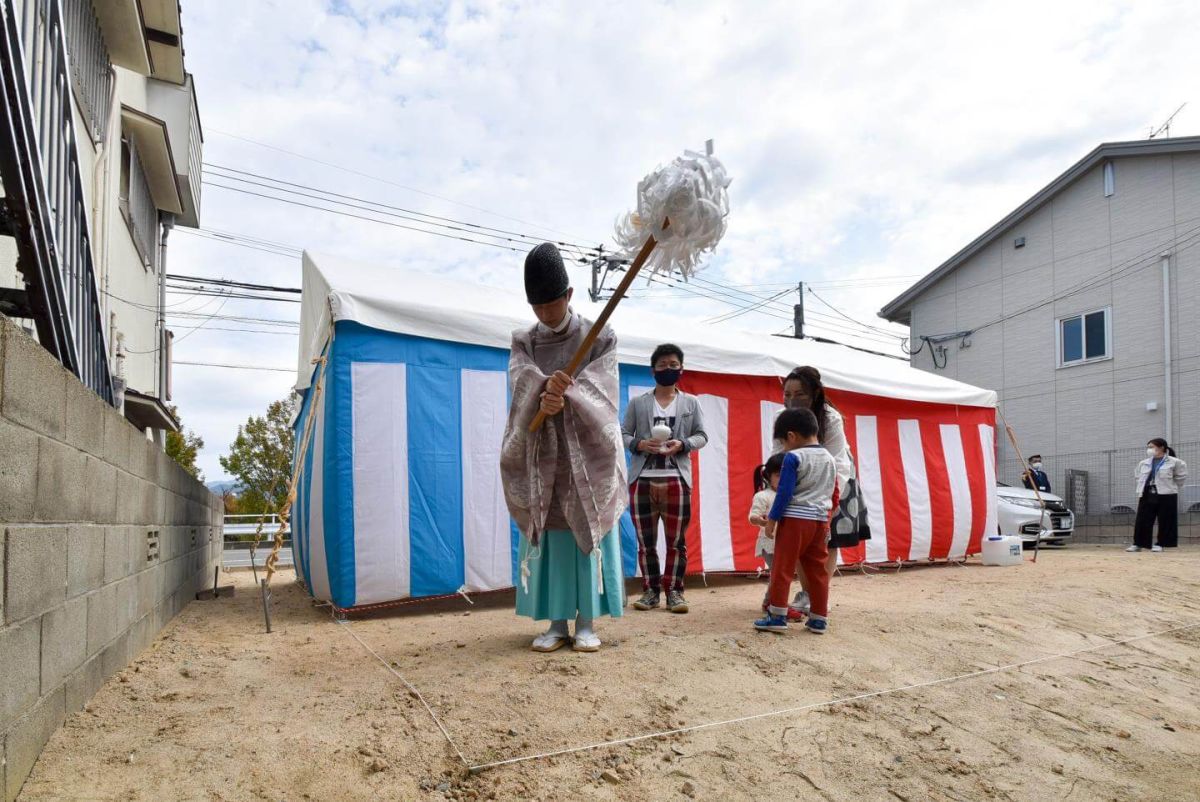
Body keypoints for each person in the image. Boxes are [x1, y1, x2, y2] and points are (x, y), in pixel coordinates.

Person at [500, 243, 626, 652]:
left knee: (584, 529)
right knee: (551, 534)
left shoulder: (600, 336)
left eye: (551, 304)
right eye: (536, 306)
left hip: (586, 457)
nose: (544, 314)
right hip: (543, 454)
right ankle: (555, 622)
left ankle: (587, 621)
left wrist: (568, 393)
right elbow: (521, 379)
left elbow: (604, 388)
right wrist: (541, 390)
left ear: (569, 296)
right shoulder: (523, 340)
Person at [622, 344, 708, 614]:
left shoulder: (691, 403)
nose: (668, 369)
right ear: (653, 370)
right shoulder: (639, 402)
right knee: (645, 540)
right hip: (643, 479)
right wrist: (638, 444)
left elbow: (702, 436)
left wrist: (682, 444)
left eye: (673, 365)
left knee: (676, 541)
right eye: (662, 365)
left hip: (676, 479)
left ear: (681, 368)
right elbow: (622, 434)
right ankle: (650, 590)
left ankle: (675, 592)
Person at [780, 366, 867, 616]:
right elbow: (778, 454)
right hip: (798, 483)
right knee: (796, 539)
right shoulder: (781, 416)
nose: (792, 400)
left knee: (827, 542)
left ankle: (818, 596)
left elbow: (838, 461)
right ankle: (807, 593)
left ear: (815, 393)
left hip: (835, 483)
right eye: (787, 394)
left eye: (800, 394)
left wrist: (832, 498)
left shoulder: (829, 418)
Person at [754, 408, 839, 635]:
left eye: (783, 442)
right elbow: (835, 492)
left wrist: (772, 519)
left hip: (795, 521)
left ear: (791, 436)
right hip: (821, 522)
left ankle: (777, 615)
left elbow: (784, 492)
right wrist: (827, 516)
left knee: (782, 567)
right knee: (817, 571)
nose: (784, 447)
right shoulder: (830, 458)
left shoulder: (794, 457)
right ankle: (819, 618)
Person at [1126, 439, 1188, 553]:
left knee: (1166, 519)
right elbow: (1138, 476)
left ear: (1162, 447)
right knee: (1143, 518)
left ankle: (1161, 543)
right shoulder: (1143, 463)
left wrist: (1170, 486)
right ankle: (1138, 543)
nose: (1149, 449)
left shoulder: (1175, 462)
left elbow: (1180, 477)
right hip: (1147, 491)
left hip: (1167, 493)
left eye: (1152, 447)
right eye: (1148, 447)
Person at [750, 454, 786, 574]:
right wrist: (760, 521)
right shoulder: (763, 496)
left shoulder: (793, 495)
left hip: (789, 541)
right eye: (778, 475)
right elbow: (753, 516)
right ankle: (773, 593)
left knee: (782, 574)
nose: (783, 478)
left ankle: (774, 592)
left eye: (786, 474)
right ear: (768, 476)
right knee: (777, 573)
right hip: (770, 542)